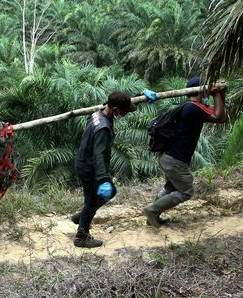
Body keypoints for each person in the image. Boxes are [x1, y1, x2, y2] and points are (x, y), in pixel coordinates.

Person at [143, 77, 225, 227]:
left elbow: (217, 112)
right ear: (201, 90)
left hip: (168, 157)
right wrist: (216, 94)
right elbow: (219, 117)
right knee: (185, 192)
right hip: (175, 159)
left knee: (170, 188)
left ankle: (153, 216)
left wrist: (219, 94)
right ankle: (152, 210)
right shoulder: (194, 107)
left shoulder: (189, 107)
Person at [71, 92, 137, 248]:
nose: (126, 113)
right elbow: (98, 155)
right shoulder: (103, 128)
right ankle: (81, 237)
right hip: (90, 169)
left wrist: (140, 96)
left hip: (83, 163)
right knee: (92, 202)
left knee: (110, 192)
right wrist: (103, 179)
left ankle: (81, 217)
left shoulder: (98, 113)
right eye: (124, 111)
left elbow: (115, 102)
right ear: (115, 110)